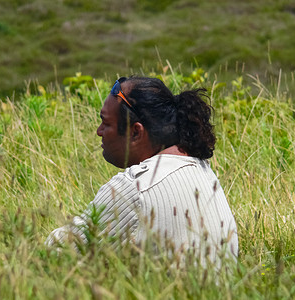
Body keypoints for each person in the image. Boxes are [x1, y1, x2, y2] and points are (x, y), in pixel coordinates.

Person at [45, 76, 238, 264]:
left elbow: (56, 252)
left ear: (136, 132)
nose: (99, 131)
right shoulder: (205, 172)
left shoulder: (135, 188)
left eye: (106, 123)